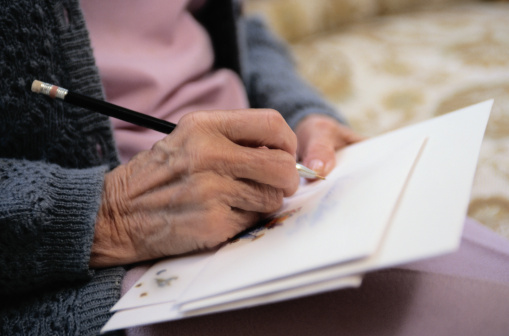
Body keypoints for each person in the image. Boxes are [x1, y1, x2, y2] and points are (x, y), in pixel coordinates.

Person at [1, 1, 508, 336]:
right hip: (98, 274)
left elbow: (238, 28)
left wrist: (304, 111)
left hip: (268, 183)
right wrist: (106, 213)